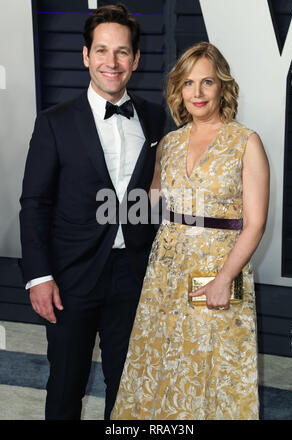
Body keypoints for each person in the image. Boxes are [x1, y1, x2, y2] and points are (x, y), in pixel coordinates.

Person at [19, 4, 166, 420]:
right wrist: (39, 276)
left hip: (134, 275)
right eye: (101, 51)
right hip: (70, 275)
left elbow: (161, 197)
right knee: (66, 384)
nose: (111, 62)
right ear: (86, 56)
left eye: (122, 52)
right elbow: (35, 203)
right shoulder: (54, 122)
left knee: (129, 387)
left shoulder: (156, 119)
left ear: (136, 59)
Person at [111, 41, 269, 420]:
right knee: (161, 365)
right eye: (188, 83)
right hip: (164, 274)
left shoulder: (245, 143)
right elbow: (148, 202)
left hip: (216, 271)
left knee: (212, 367)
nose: (197, 93)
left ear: (223, 87)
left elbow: (256, 222)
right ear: (178, 90)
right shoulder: (169, 142)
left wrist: (223, 278)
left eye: (207, 82)